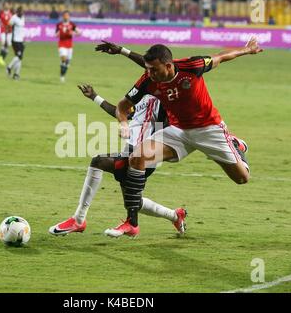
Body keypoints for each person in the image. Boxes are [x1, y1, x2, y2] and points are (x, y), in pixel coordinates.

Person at [95, 39, 263, 237]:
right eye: (148, 69)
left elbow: (221, 56)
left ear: (168, 65)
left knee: (242, 178)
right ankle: (132, 224)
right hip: (178, 131)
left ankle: (236, 146)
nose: (149, 73)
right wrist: (123, 124)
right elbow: (123, 106)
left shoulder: (192, 66)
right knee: (137, 158)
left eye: (153, 69)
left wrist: (247, 50)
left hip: (209, 130)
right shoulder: (148, 81)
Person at [48, 84, 187, 237]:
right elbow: (121, 112)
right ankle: (175, 216)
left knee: (98, 162)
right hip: (130, 151)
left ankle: (79, 220)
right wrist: (95, 97)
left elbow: (171, 124)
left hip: (145, 156)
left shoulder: (165, 99)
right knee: (133, 202)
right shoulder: (144, 97)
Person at [56, 10, 80, 83]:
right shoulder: (59, 24)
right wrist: (60, 33)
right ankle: (62, 77)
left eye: (67, 15)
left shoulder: (72, 25)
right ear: (63, 16)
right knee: (64, 59)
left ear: (69, 16)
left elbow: (79, 33)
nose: (66, 16)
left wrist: (72, 33)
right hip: (61, 45)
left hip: (69, 46)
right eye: (65, 15)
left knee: (67, 63)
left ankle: (62, 75)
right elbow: (56, 34)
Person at [6, 7, 25, 81]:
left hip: (21, 40)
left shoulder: (23, 18)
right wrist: (8, 34)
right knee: (19, 56)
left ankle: (16, 74)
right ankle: (9, 67)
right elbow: (8, 25)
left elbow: (22, 29)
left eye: (22, 12)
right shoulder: (14, 18)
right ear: (17, 12)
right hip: (15, 40)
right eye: (20, 12)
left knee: (20, 58)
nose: (22, 13)